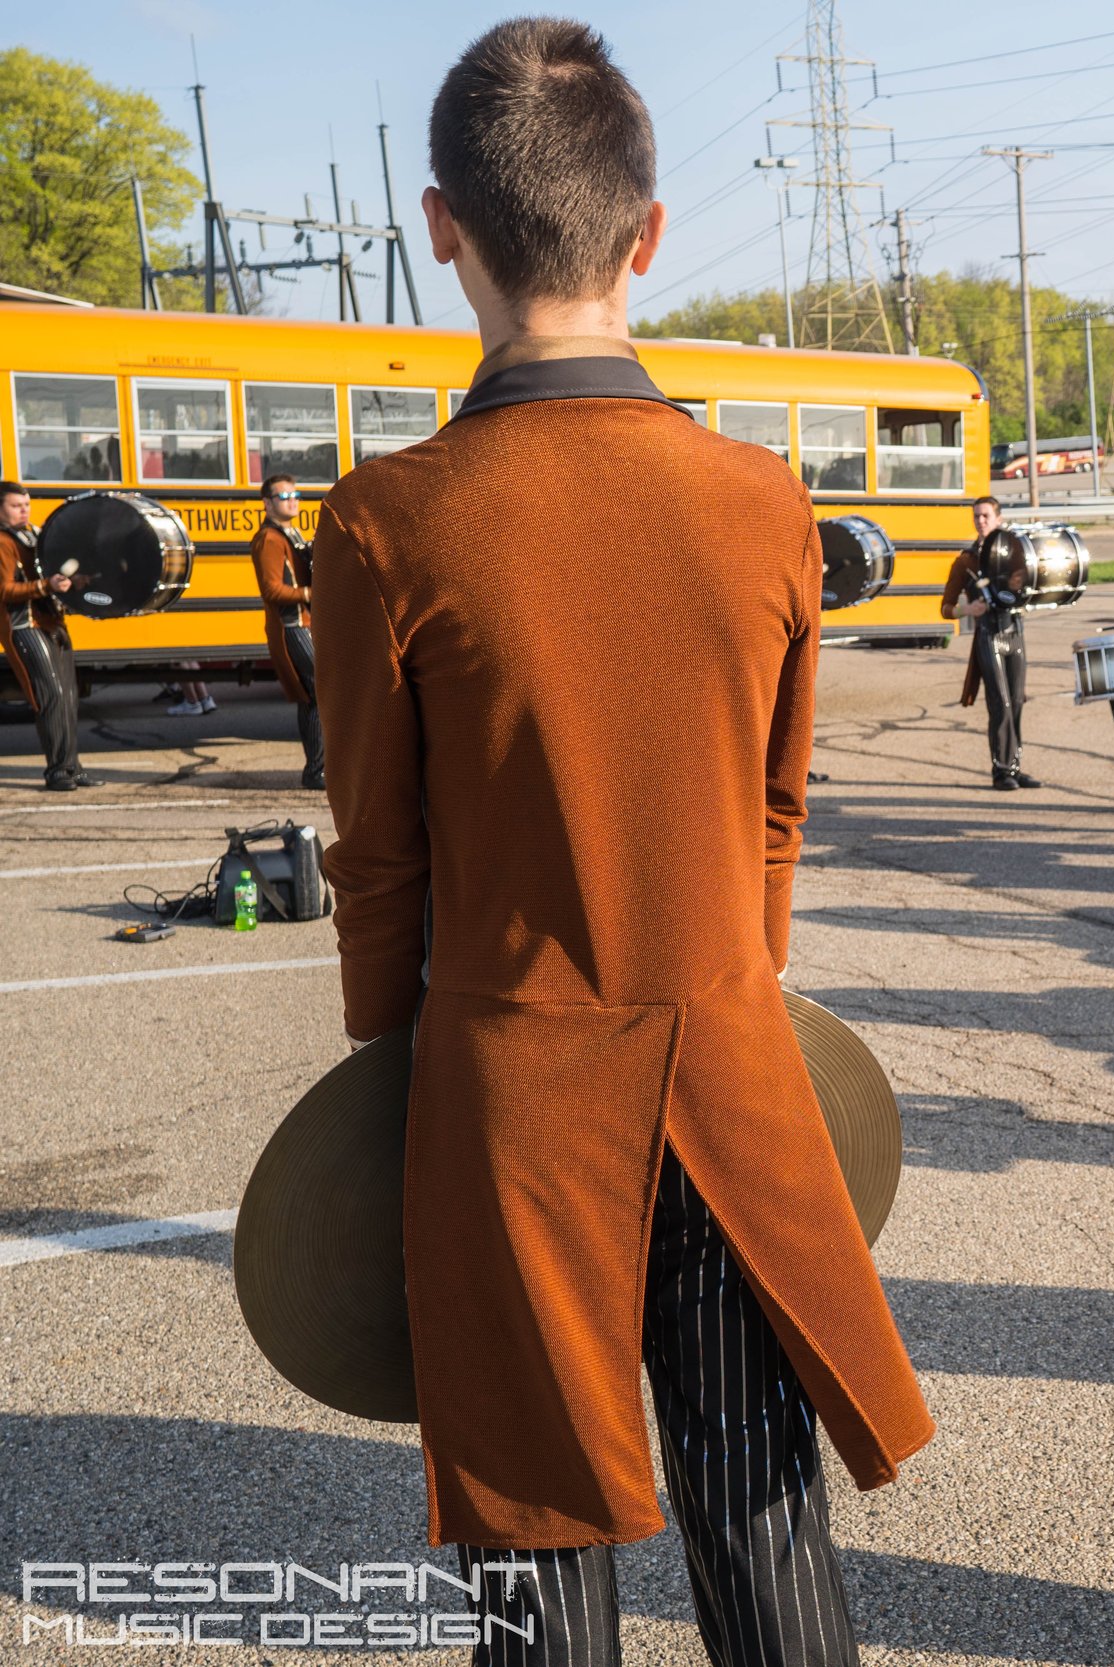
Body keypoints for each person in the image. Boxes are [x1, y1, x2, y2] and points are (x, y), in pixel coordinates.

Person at [315, 22, 931, 1659]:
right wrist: (732, 973)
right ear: (649, 233)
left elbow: (377, 855)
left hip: (509, 1095)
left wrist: (389, 1065)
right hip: (729, 1067)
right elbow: (777, 807)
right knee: (761, 1510)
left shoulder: (386, 520)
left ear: (442, 226)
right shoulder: (765, 499)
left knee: (533, 1541)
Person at [942, 495, 1040, 790]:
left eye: (986, 516)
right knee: (1001, 702)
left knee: (1018, 700)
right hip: (988, 635)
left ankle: (1015, 765)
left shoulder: (1014, 552)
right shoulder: (966, 560)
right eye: (976, 517)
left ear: (999, 519)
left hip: (1015, 630)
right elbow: (945, 608)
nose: (980, 521)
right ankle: (1001, 770)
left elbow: (1026, 588)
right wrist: (967, 610)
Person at [2, 482, 85, 791]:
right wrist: (47, 586)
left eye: (26, 504)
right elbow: (4, 590)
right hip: (24, 627)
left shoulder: (33, 535)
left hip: (51, 622)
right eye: (15, 505)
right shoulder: (3, 542)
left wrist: (72, 581)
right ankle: (58, 771)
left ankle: (73, 767)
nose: (24, 509)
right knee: (51, 696)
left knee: (69, 697)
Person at [249, 475, 323, 790]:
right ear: (267, 503)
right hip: (290, 627)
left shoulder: (289, 533)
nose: (292, 500)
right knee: (320, 692)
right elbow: (272, 590)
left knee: (312, 697)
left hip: (303, 624)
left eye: (296, 494)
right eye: (284, 496)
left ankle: (317, 769)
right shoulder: (270, 539)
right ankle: (317, 770)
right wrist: (310, 594)